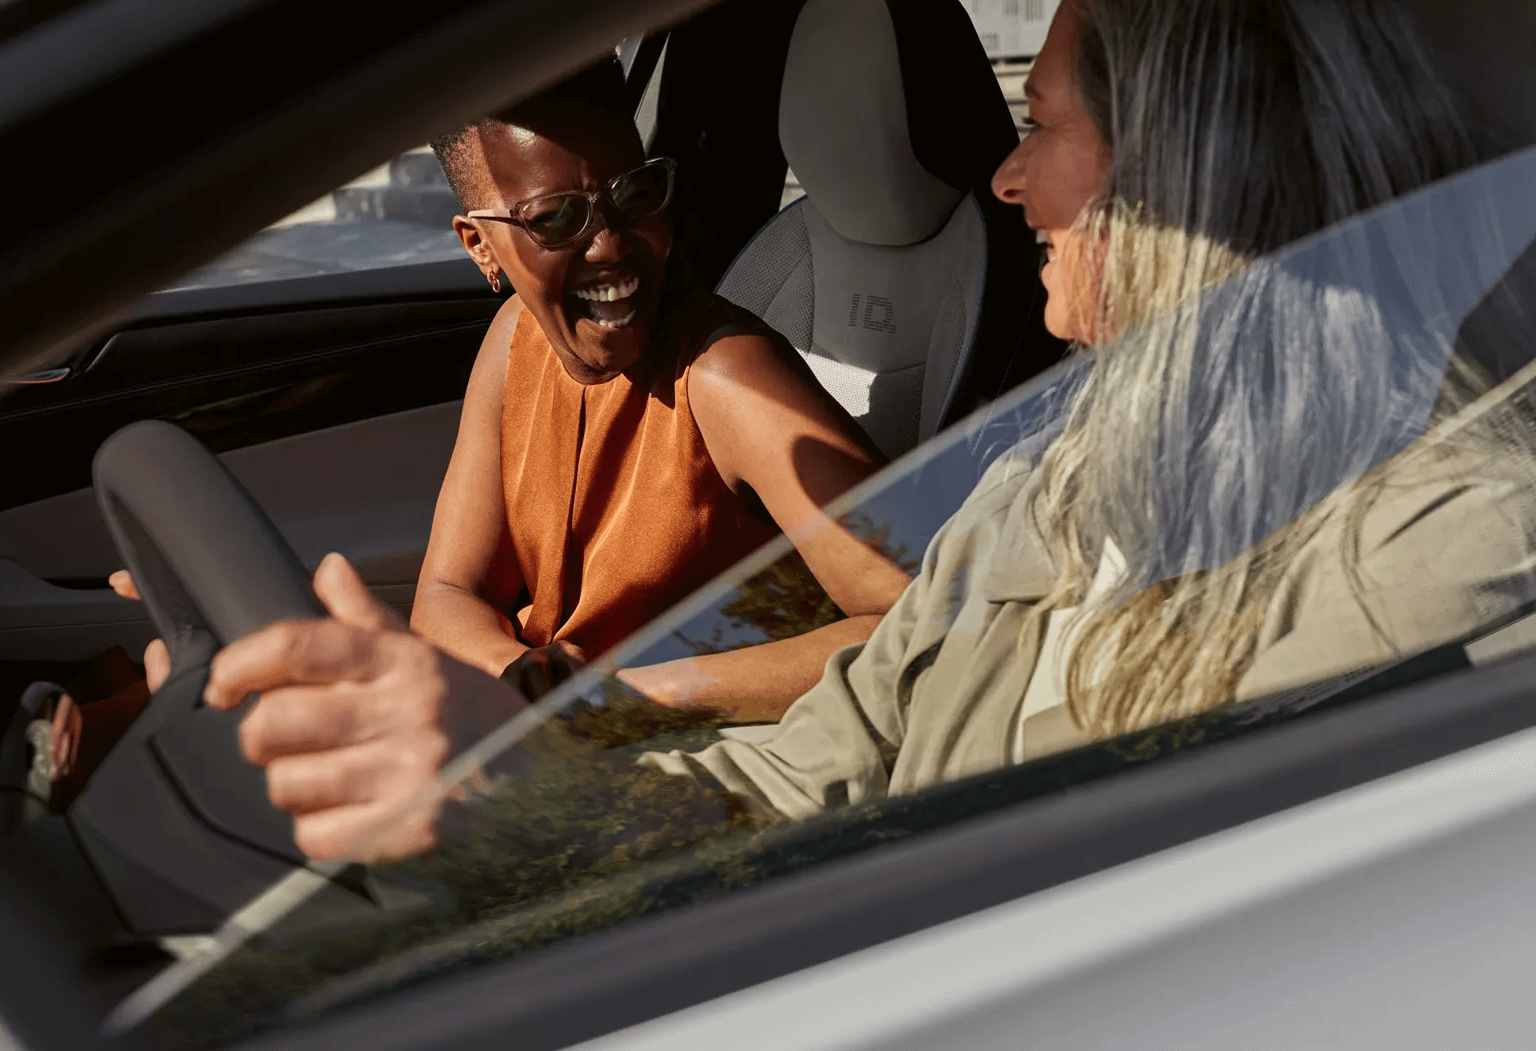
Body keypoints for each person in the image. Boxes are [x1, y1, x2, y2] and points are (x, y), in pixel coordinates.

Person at [197, 0, 1536, 858]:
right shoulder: (1055, 480)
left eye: (1040, 125)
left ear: (1184, 167)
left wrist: (586, 714)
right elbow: (817, 765)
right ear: (480, 245)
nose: (1004, 173)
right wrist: (524, 791)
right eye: (551, 221)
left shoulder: (1442, 553)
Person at [106, 59, 911, 731]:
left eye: (635, 194)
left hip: (680, 761)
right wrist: (524, 679)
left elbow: (919, 621)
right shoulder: (513, 341)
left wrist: (623, 697)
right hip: (563, 741)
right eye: (556, 218)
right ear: (480, 246)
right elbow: (449, 592)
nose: (610, 243)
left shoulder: (725, 377)